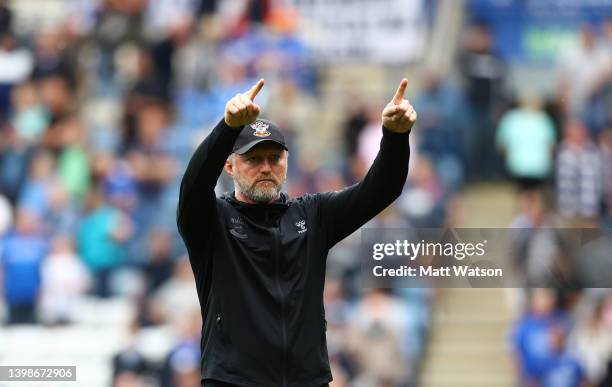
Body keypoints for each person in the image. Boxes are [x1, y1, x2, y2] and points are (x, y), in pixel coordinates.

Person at [176, 78, 416, 387]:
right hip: (233, 381)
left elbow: (382, 189)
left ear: (287, 162)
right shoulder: (212, 222)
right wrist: (227, 128)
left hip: (307, 379)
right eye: (252, 159)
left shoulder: (312, 215)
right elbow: (193, 187)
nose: (265, 167)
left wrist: (396, 137)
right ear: (230, 167)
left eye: (274, 158)